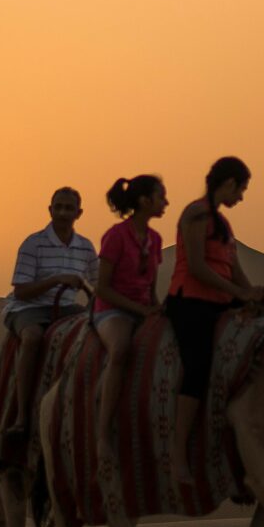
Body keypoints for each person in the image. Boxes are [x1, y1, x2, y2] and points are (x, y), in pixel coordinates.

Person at [166, 156, 264, 483]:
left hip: (220, 302)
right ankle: (177, 454)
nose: (241, 196)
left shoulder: (223, 224)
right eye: (241, 189)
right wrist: (237, 293)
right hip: (190, 302)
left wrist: (253, 292)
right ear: (228, 184)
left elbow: (235, 269)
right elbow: (198, 267)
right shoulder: (196, 214)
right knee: (198, 368)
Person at [0, 187, 98, 445]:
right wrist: (56, 280)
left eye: (69, 208)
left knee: (100, 331)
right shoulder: (33, 243)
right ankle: (21, 416)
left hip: (66, 308)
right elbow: (20, 291)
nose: (63, 213)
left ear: (79, 213)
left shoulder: (85, 248)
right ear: (50, 210)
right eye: (59, 207)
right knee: (32, 338)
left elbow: (98, 285)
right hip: (28, 309)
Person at [94, 175, 167, 450]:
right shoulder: (115, 236)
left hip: (144, 310)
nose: (166, 202)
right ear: (144, 201)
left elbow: (151, 287)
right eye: (161, 196)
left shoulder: (155, 239)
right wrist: (141, 309)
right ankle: (103, 433)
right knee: (121, 350)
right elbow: (102, 288)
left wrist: (157, 309)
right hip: (112, 311)